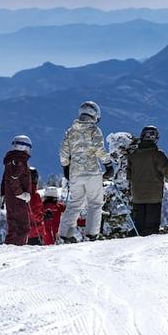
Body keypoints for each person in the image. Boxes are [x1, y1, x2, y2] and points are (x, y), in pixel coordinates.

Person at [57, 101, 113, 243]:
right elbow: (99, 150)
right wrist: (108, 164)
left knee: (75, 203)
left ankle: (65, 233)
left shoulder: (70, 131)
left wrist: (66, 167)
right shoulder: (94, 130)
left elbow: (63, 153)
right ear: (95, 115)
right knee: (95, 203)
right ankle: (92, 234)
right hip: (92, 172)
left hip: (75, 173)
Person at [126, 125, 168, 236]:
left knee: (138, 226)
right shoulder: (158, 155)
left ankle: (134, 249)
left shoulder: (133, 155)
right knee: (151, 228)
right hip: (154, 197)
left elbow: (129, 175)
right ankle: (148, 250)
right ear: (156, 138)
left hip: (137, 196)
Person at [1, 135, 33, 245]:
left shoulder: (12, 159)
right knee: (22, 226)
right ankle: (15, 248)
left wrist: (4, 193)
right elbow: (13, 178)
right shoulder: (19, 160)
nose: (28, 151)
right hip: (17, 199)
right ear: (23, 147)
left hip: (12, 197)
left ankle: (13, 246)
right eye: (28, 147)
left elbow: (6, 177)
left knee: (14, 224)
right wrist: (20, 194)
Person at [27, 168, 46, 245]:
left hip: (23, 233)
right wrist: (43, 217)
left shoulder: (19, 193)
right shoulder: (35, 195)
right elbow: (35, 214)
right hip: (35, 232)